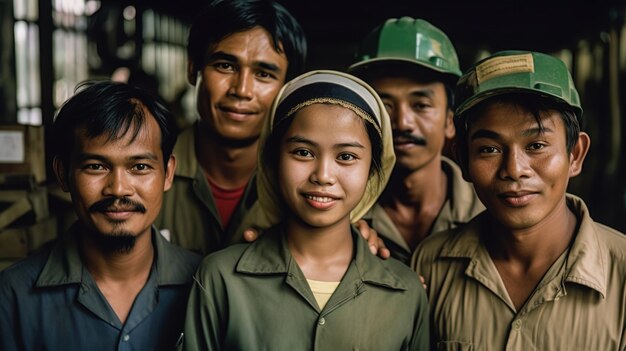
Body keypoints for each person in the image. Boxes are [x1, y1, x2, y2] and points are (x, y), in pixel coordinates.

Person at [183, 71, 430, 350]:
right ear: (273, 160)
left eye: (346, 157)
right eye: (303, 152)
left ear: (373, 170)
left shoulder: (405, 290)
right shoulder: (220, 278)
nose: (323, 175)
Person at [412, 51, 626, 349]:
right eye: (489, 149)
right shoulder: (431, 264)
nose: (514, 170)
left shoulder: (621, 272)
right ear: (463, 159)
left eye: (536, 145)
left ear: (575, 155)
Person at [0, 81, 202, 351]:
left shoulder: (204, 284)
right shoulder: (13, 296)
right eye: (96, 166)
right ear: (63, 174)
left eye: (140, 166)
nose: (118, 189)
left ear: (168, 173)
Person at [155, 0, 306, 254]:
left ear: (287, 89)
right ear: (193, 69)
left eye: (264, 74)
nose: (242, 90)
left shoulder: (307, 187)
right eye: (225, 66)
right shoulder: (142, 173)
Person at [348, 17, 484, 264]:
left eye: (421, 105)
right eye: (385, 105)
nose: (402, 122)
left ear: (450, 121)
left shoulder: (489, 213)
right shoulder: (338, 212)